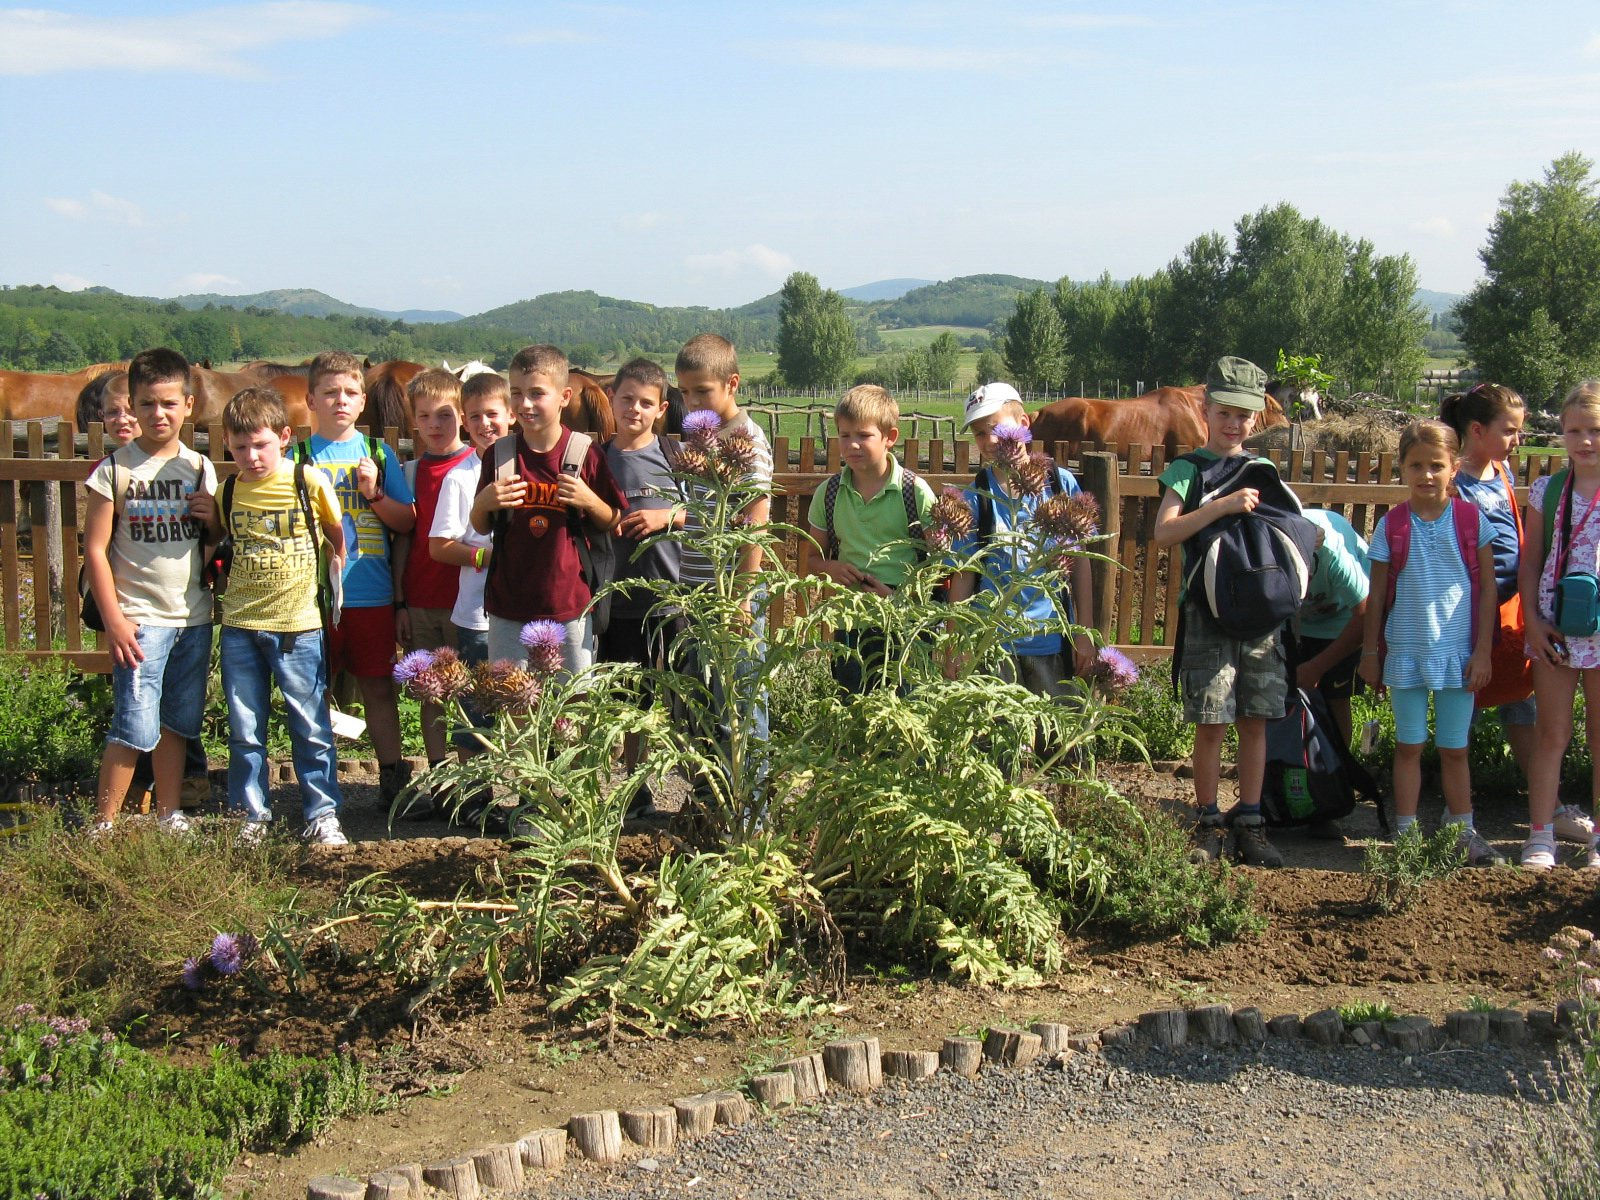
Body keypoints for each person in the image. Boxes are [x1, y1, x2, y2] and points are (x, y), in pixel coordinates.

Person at [1153, 356, 1291, 868]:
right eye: (1226, 412)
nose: (1234, 424)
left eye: (1244, 415)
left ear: (1256, 418)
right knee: (1210, 722)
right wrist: (1220, 506)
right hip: (1208, 614)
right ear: (1205, 410)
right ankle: (1208, 822)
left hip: (1260, 618)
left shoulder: (1264, 470)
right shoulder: (1187, 470)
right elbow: (1165, 532)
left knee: (1255, 719)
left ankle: (1250, 821)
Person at [83, 348, 217, 835]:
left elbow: (213, 543)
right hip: (139, 619)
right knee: (133, 723)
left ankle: (169, 812)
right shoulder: (114, 471)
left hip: (193, 618)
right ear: (132, 407)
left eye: (167, 403)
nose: (157, 414)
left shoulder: (201, 468)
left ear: (187, 404)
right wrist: (115, 618)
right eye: (145, 404)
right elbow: (95, 551)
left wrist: (215, 520)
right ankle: (104, 822)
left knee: (176, 723)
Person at [213, 386, 348, 846]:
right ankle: (251, 814)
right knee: (245, 728)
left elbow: (336, 536)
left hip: (297, 625)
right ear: (227, 443)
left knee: (310, 724)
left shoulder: (306, 482)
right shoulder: (228, 489)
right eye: (240, 446)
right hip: (240, 625)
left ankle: (322, 813)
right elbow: (220, 536)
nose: (251, 456)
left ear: (285, 437)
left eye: (261, 444)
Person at [1361, 419, 1500, 864]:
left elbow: (1488, 591)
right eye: (1416, 465)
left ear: (1454, 467)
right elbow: (1377, 594)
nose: (1426, 475)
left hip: (1459, 657)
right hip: (1405, 655)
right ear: (1401, 468)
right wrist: (1369, 653)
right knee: (1409, 746)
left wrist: (1482, 651)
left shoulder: (1471, 520)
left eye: (1436, 465)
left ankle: (1462, 830)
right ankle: (1405, 835)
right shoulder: (1392, 527)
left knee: (1455, 749)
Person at [296, 351, 416, 807]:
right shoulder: (297, 457)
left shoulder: (376, 453)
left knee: (378, 686)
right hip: (311, 597)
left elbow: (405, 522)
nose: (339, 401)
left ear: (363, 401)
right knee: (312, 690)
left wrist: (375, 493)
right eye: (329, 392)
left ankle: (391, 778)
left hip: (370, 591)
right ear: (310, 399)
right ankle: (319, 782)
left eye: (349, 393)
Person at [469, 344, 626, 671]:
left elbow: (613, 519)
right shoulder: (499, 455)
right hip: (508, 608)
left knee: (572, 708)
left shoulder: (586, 453)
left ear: (565, 396)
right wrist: (482, 503)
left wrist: (589, 500)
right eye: (516, 393)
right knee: (513, 704)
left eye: (537, 393)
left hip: (569, 607)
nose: (525, 403)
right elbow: (482, 526)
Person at [673, 334, 774, 803]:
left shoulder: (747, 441)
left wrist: (742, 595)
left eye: (702, 391)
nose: (691, 402)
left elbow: (755, 522)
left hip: (732, 600)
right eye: (685, 393)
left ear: (732, 384)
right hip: (696, 591)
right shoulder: (699, 441)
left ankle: (751, 815)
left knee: (741, 707)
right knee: (703, 709)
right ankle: (711, 808)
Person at [947, 381, 1094, 698]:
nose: (989, 441)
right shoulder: (976, 498)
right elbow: (964, 576)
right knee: (998, 739)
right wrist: (955, 640)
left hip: (1051, 639)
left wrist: (1084, 632)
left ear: (1024, 424)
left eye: (995, 428)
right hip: (994, 643)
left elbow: (1080, 563)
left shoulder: (1059, 485)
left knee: (1056, 736)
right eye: (979, 434)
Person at [600, 358, 685, 816]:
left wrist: (665, 516)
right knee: (630, 700)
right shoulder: (595, 458)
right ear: (611, 400)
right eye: (627, 399)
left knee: (686, 695)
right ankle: (636, 785)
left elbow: (709, 514)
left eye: (645, 403)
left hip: (673, 598)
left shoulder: (675, 457)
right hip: (620, 601)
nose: (635, 409)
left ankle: (701, 788)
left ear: (662, 409)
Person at [1521, 380, 1600, 872]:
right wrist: (1531, 621)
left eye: (1596, 430)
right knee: (1552, 734)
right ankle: (1541, 836)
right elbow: (1530, 563)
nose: (1586, 441)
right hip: (1553, 627)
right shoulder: (1546, 491)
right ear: (1562, 435)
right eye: (1575, 431)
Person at [394, 369, 475, 786]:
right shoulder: (409, 473)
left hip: (466, 603)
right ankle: (442, 781)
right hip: (422, 600)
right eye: (424, 417)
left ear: (461, 414)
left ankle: (470, 782)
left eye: (444, 415)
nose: (434, 426)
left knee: (467, 693)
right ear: (414, 422)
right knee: (431, 695)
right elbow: (405, 541)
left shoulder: (478, 465)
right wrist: (401, 603)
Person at [1296, 507, 1370, 747]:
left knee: (1336, 698)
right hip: (1298, 621)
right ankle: (1292, 767)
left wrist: (1317, 667)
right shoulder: (1266, 553)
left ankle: (1340, 772)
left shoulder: (1332, 553)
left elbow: (1365, 615)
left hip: (1344, 620)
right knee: (1287, 696)